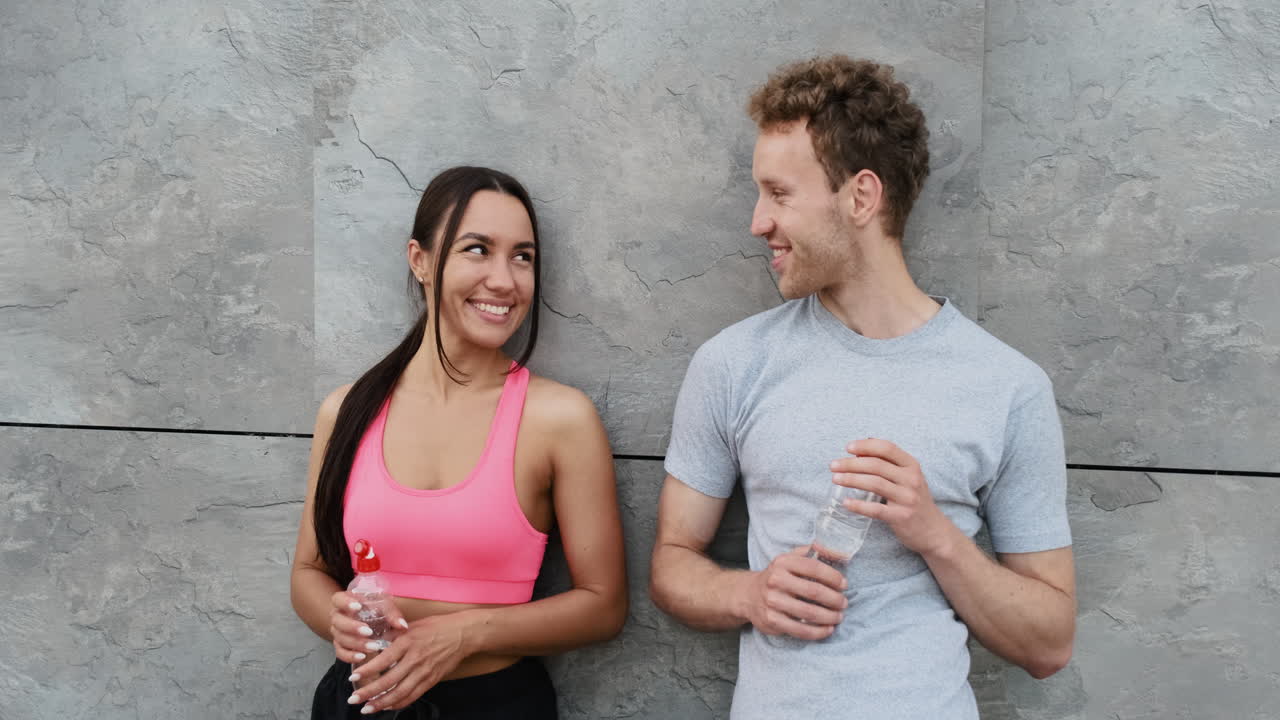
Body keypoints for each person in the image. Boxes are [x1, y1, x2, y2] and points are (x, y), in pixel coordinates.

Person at [649, 56, 1076, 719]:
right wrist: (750, 595)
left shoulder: (1008, 386)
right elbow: (672, 563)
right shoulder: (732, 363)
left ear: (860, 197)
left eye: (779, 193)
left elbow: (1049, 642)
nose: (758, 222)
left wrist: (934, 534)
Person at [291, 166, 627, 718]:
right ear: (420, 260)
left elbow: (604, 606)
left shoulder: (560, 418)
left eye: (523, 256)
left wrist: (462, 636)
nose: (505, 279)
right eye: (478, 249)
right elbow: (307, 573)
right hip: (360, 701)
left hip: (497, 705)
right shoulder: (346, 411)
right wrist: (337, 616)